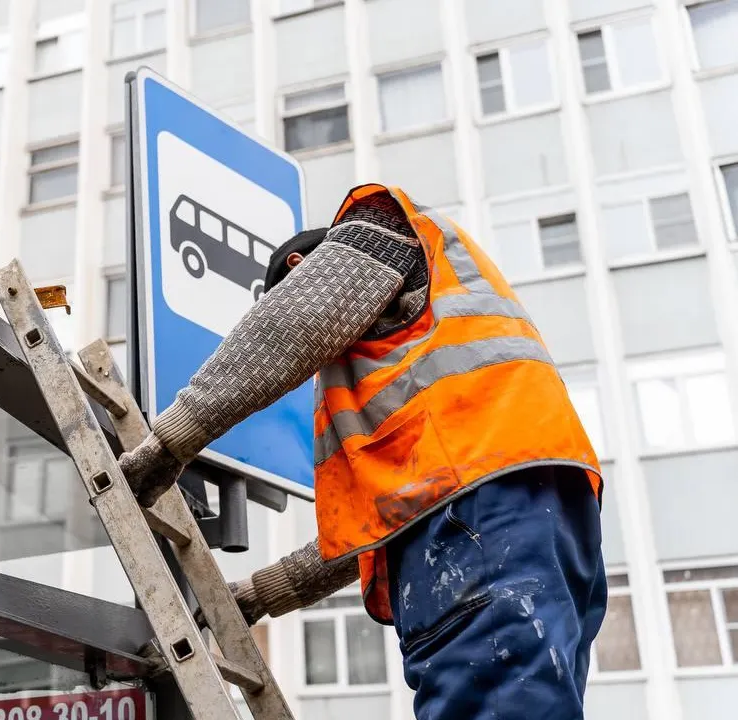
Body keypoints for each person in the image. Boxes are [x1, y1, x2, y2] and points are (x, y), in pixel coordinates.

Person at [118, 184, 606, 719]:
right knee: (524, 696)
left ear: (305, 266)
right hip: (534, 517)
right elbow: (379, 528)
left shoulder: (376, 231)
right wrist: (260, 594)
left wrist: (168, 444)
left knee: (489, 699)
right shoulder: (424, 380)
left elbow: (286, 329)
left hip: (483, 514)